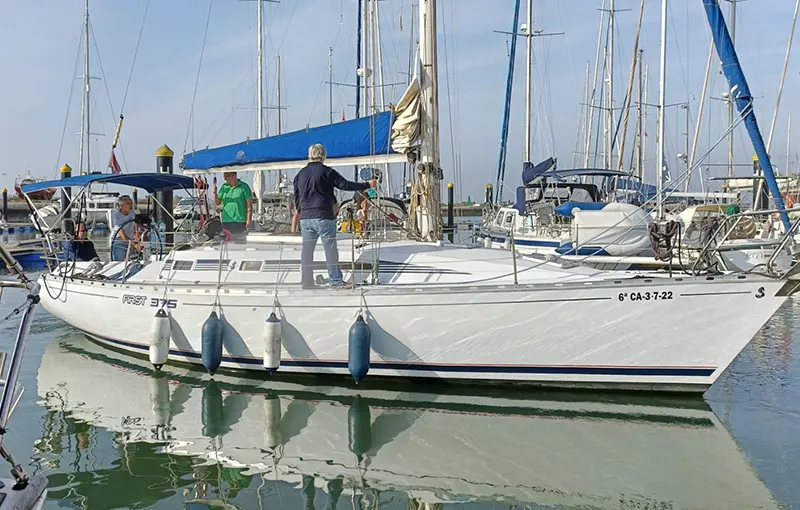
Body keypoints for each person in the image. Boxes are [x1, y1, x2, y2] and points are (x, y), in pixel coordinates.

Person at [294, 143, 376, 288]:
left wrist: (302, 212)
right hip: (323, 216)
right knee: (330, 249)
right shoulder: (327, 172)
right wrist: (367, 185)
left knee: (307, 251)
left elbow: (297, 198)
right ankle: (336, 281)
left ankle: (307, 281)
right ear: (323, 155)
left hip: (306, 218)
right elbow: (345, 185)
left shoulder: (299, 174)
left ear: (309, 155)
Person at [213, 172, 253, 236]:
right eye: (224, 177)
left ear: (234, 175)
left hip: (240, 221)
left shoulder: (244, 187)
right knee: (227, 241)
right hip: (226, 220)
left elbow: (249, 205)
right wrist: (215, 193)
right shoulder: (224, 187)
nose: (225, 179)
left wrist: (249, 220)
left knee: (240, 241)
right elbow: (217, 203)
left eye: (227, 176)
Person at [110, 195, 137, 261]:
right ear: (121, 206)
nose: (131, 205)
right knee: (119, 263)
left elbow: (136, 223)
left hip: (130, 241)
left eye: (131, 203)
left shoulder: (132, 213)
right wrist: (135, 244)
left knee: (133, 260)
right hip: (118, 242)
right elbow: (123, 236)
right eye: (128, 203)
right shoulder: (116, 216)